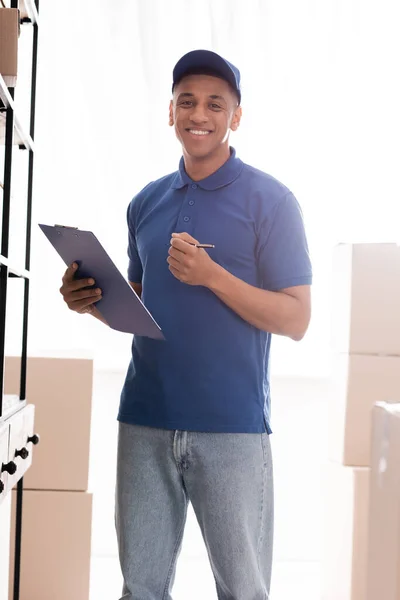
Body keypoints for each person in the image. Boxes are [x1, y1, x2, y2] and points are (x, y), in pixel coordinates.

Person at [60, 49, 312, 600]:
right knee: (140, 590)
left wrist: (213, 276)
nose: (199, 114)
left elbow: (297, 318)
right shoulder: (144, 203)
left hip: (232, 428)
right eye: (187, 101)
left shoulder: (271, 201)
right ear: (170, 112)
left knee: (243, 591)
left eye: (215, 104)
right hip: (145, 420)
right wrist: (90, 301)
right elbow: (143, 305)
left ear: (235, 118)